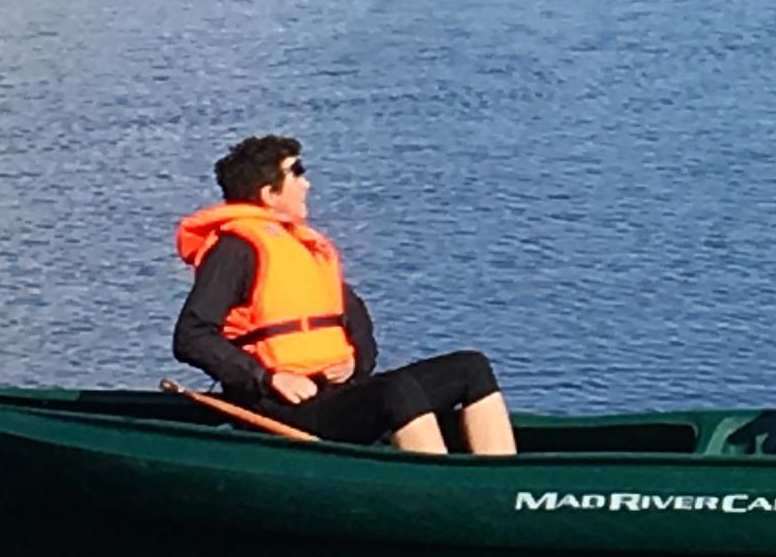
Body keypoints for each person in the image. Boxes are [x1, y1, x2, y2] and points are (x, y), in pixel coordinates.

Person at [173, 135, 518, 455]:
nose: (306, 183)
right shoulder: (235, 250)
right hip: (282, 406)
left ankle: (503, 484)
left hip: (333, 395)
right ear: (268, 193)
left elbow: (358, 325)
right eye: (297, 173)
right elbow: (192, 336)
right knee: (395, 391)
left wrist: (356, 362)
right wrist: (268, 377)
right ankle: (444, 494)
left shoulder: (305, 250)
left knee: (471, 368)